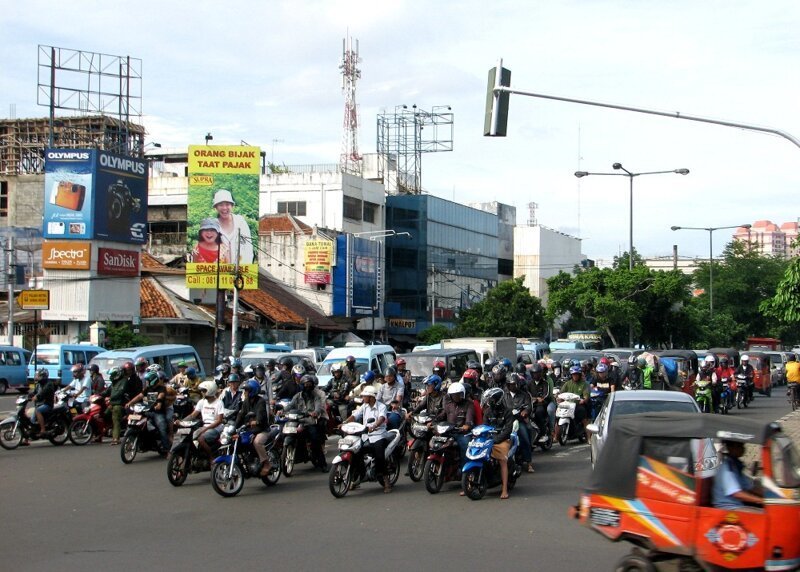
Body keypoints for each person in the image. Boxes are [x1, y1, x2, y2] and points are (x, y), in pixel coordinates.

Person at [342, 386, 392, 493]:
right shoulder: (364, 406)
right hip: (365, 435)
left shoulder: (381, 406)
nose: (363, 398)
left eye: (365, 396)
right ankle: (359, 476)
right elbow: (355, 416)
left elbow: (381, 418)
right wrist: (345, 423)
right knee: (355, 453)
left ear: (371, 397)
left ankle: (385, 480)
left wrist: (374, 426)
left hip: (379, 435)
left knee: (379, 456)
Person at [236, 380, 277, 477]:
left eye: (247, 390)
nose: (244, 392)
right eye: (244, 390)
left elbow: (261, 415)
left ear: (252, 391)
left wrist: (256, 421)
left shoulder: (261, 401)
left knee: (257, 442)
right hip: (250, 429)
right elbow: (241, 414)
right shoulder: (246, 401)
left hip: (262, 430)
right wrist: (234, 426)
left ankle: (266, 463)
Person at [480, 387, 515, 500]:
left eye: (491, 399)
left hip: (502, 440)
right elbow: (484, 426)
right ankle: (468, 485)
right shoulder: (487, 412)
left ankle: (504, 489)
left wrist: (497, 439)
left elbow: (507, 430)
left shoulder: (507, 412)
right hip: (489, 439)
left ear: (497, 399)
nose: (489, 402)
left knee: (502, 460)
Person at [288, 374, 328, 472]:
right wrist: (281, 410)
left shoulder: (316, 396)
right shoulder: (297, 396)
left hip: (310, 422)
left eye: (309, 384)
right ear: (302, 385)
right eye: (306, 384)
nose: (308, 386)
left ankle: (323, 464)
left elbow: (318, 407)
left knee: (315, 439)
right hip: (297, 421)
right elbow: (290, 406)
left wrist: (315, 412)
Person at [712, 440, 763, 509]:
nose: (743, 448)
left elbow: (750, 487)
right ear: (730, 448)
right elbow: (737, 494)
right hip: (728, 508)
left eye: (742, 446)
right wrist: (760, 500)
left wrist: (768, 495)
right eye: (740, 446)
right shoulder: (727, 467)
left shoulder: (736, 465)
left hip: (737, 505)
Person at [126, 371, 169, 453]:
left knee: (162, 428)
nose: (146, 382)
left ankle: (167, 449)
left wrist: (159, 404)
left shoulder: (161, 388)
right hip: (146, 411)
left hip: (157, 412)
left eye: (148, 380)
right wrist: (130, 403)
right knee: (134, 421)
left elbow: (161, 396)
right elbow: (139, 396)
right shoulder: (147, 389)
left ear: (153, 380)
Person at [182, 380, 225, 458]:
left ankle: (211, 458)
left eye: (204, 391)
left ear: (210, 390)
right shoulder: (202, 402)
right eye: (201, 391)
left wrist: (206, 429)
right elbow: (193, 415)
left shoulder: (219, 403)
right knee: (189, 437)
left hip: (216, 427)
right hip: (204, 426)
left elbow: (219, 421)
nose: (202, 392)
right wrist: (181, 422)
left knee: (201, 439)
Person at [212, 188, 254, 264]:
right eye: (221, 205)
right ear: (216, 207)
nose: (224, 208)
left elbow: (248, 249)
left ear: (232, 206)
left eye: (227, 204)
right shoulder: (212, 226)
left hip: (240, 271)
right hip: (220, 272)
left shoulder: (240, 222)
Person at [438, 381, 475, 463]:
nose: (455, 397)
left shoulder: (469, 404)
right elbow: (442, 415)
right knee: (435, 443)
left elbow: (470, 418)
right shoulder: (449, 405)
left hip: (461, 433)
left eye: (458, 394)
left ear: (462, 394)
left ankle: (463, 471)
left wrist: (467, 425)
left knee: (466, 446)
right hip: (448, 431)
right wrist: (433, 422)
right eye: (453, 395)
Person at [505, 373, 534, 473]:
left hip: (519, 421)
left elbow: (528, 406)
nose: (514, 386)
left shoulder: (524, 395)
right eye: (511, 384)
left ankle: (529, 463)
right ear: (508, 385)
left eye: (515, 384)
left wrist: (525, 412)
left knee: (525, 437)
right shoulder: (504, 396)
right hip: (508, 422)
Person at [555, 365, 590, 443]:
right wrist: (558, 397)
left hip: (578, 405)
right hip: (567, 405)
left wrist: (584, 400)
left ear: (580, 375)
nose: (575, 376)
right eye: (574, 374)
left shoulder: (583, 384)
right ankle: (556, 436)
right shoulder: (567, 384)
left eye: (577, 374)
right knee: (557, 417)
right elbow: (561, 392)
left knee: (584, 417)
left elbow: (586, 395)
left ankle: (589, 437)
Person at [101, 366, 128, 446]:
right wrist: (97, 395)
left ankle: (116, 438)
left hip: (119, 405)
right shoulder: (114, 383)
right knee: (103, 415)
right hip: (111, 404)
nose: (111, 377)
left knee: (116, 419)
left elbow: (119, 393)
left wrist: (110, 399)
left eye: (113, 375)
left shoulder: (123, 381)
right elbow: (107, 391)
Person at [529, 363, 554, 440]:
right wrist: (534, 398)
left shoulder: (545, 383)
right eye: (534, 374)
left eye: (537, 373)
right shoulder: (529, 383)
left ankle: (544, 433)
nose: (536, 375)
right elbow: (526, 393)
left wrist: (538, 399)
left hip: (542, 404)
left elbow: (545, 395)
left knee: (539, 413)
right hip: (531, 404)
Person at [29, 368, 55, 439]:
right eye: (37, 375)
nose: (37, 377)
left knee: (38, 410)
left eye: (39, 376)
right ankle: (27, 438)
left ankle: (43, 430)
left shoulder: (49, 384)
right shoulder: (38, 385)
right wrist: (26, 396)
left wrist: (37, 396)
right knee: (32, 421)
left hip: (47, 404)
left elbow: (43, 392)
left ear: (44, 376)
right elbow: (33, 392)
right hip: (39, 405)